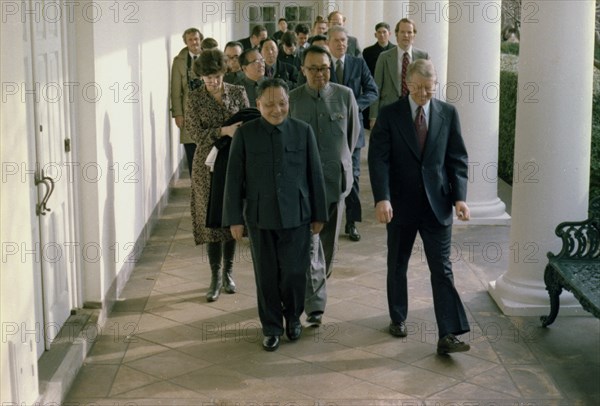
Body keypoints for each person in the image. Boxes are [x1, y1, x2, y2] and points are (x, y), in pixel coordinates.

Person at [368, 59, 471, 355]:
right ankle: (398, 317)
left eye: (430, 88)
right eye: (420, 88)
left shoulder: (448, 113)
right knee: (398, 264)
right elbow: (379, 159)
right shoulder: (390, 115)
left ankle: (448, 333)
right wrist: (382, 197)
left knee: (442, 269)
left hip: (437, 205)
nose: (425, 93)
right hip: (400, 205)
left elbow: (457, 159)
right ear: (408, 85)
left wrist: (459, 198)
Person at [223, 79, 328, 352]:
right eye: (269, 104)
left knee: (294, 273)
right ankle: (270, 327)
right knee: (266, 274)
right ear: (258, 104)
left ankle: (293, 318)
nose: (276, 110)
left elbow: (315, 175)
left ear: (288, 103)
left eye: (282, 103)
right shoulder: (245, 134)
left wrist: (319, 214)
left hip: (298, 214)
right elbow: (234, 179)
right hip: (260, 217)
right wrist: (234, 218)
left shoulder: (303, 132)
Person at [289, 45, 360, 325]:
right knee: (308, 242)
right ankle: (314, 303)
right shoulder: (293, 99)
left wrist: (340, 166)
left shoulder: (345, 96)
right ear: (303, 70)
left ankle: (318, 286)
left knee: (327, 246)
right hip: (301, 185)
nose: (320, 74)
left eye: (325, 68)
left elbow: (352, 138)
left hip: (334, 183)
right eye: (314, 69)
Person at [185, 48, 250, 302]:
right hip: (207, 166)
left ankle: (229, 273)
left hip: (233, 162)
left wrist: (237, 131)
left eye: (216, 76)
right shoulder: (195, 98)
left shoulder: (237, 92)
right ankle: (214, 276)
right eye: (206, 77)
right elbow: (194, 133)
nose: (212, 81)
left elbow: (248, 122)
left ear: (223, 72)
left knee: (230, 218)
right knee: (212, 222)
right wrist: (223, 130)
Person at [327, 26, 378, 243]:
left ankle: (352, 222)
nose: (341, 44)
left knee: (354, 176)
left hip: (352, 131)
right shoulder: (322, 64)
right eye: (337, 40)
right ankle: (328, 221)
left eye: (344, 40)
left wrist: (354, 105)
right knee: (329, 176)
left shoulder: (358, 63)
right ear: (328, 43)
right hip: (328, 131)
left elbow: (372, 90)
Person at [370, 18, 429, 128]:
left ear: (414, 35)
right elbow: (376, 87)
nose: (406, 35)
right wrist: (373, 117)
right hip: (389, 111)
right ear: (396, 35)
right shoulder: (384, 57)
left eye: (409, 32)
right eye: (402, 32)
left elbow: (428, 86)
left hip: (415, 111)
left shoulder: (423, 57)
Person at [171, 27, 203, 176]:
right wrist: (178, 114)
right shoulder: (179, 62)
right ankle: (195, 189)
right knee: (191, 152)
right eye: (190, 40)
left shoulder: (209, 57)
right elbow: (175, 91)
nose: (194, 42)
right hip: (188, 111)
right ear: (185, 42)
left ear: (200, 39)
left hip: (207, 110)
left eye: (196, 39)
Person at [361, 22, 395, 129]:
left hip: (390, 88)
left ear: (389, 33)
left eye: (384, 32)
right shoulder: (368, 51)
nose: (382, 35)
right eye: (379, 32)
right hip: (373, 85)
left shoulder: (396, 50)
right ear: (375, 35)